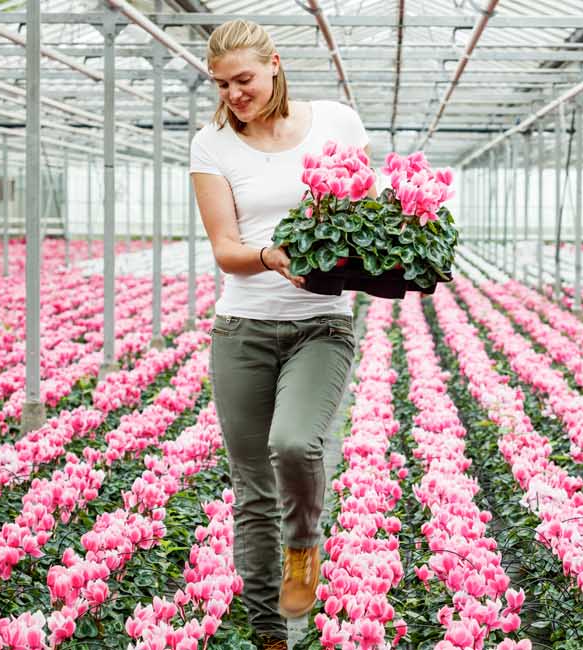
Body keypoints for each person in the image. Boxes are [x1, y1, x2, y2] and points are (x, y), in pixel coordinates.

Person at [188, 18, 371, 650]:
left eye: (243, 79)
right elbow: (226, 248)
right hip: (241, 328)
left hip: (320, 323)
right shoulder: (211, 144)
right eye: (222, 84)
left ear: (274, 64)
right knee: (251, 487)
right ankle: (270, 632)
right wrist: (271, 257)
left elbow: (364, 214)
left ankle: (303, 547)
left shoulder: (337, 124)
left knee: (294, 444)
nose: (234, 94)